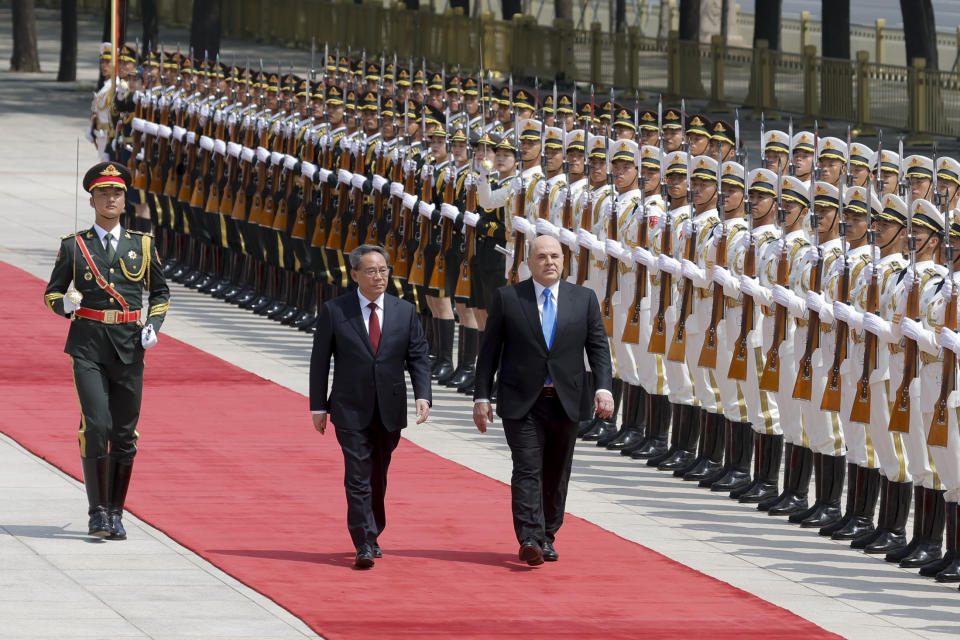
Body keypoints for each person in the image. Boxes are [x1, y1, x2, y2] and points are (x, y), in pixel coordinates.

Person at [43, 161, 170, 540]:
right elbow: (51, 292)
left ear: (125, 198)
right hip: (88, 344)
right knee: (97, 424)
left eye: (116, 193)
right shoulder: (74, 246)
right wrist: (65, 304)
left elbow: (160, 292)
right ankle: (97, 511)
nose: (110, 199)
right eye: (103, 193)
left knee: (126, 431)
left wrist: (154, 324)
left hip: (130, 345)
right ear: (93, 199)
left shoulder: (142, 244)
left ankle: (116, 513)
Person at [473, 234, 614, 565]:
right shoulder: (509, 298)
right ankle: (530, 538)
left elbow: (598, 348)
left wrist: (603, 388)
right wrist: (482, 396)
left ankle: (548, 533)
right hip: (522, 401)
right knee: (527, 469)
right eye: (541, 257)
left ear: (564, 262)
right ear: (528, 263)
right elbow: (489, 352)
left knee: (556, 471)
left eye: (555, 256)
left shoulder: (584, 299)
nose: (549, 262)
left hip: (566, 400)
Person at [309, 244, 432, 569]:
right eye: (371, 271)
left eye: (383, 271)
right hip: (349, 408)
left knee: (378, 474)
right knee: (358, 475)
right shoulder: (336, 310)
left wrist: (423, 394)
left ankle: (373, 531)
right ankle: (362, 540)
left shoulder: (403, 311)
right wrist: (318, 407)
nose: (379, 277)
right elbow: (320, 361)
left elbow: (418, 355)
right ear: (355, 275)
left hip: (389, 408)